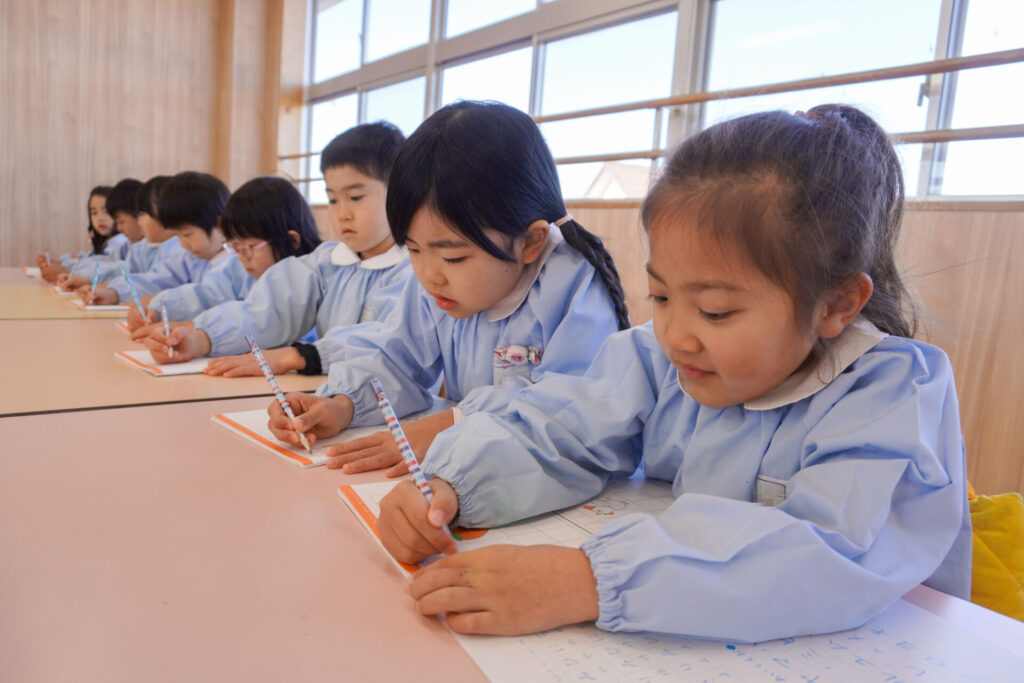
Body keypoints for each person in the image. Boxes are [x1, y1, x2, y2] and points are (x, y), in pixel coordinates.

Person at [376, 104, 972, 643]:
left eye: (715, 311)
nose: (675, 334)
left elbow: (829, 552)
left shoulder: (893, 391)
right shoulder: (656, 358)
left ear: (836, 304)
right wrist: (455, 484)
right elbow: (562, 427)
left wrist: (588, 579)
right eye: (661, 297)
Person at [267, 100, 630, 475]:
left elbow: (570, 413)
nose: (429, 276)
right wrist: (343, 404)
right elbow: (398, 359)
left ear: (530, 242)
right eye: (412, 249)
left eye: (453, 257)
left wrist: (451, 425)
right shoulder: (436, 282)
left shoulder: (574, 291)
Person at [143, 122, 412, 369]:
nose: (342, 214)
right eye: (332, 199)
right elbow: (264, 311)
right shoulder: (326, 263)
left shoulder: (413, 272)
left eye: (355, 197)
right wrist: (201, 340)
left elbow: (388, 341)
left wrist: (298, 356)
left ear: (399, 193)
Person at [131, 176, 322, 353]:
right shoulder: (239, 269)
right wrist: (161, 308)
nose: (242, 256)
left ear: (292, 241)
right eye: (235, 246)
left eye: (250, 247)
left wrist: (202, 334)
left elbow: (260, 318)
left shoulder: (306, 278)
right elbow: (207, 294)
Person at [88, 171, 233, 309]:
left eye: (187, 235)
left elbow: (203, 297)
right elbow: (156, 280)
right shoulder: (190, 259)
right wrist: (115, 293)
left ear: (219, 225)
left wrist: (159, 303)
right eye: (177, 235)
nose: (183, 244)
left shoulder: (233, 264)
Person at [36, 184, 117, 282]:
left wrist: (64, 271)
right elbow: (88, 261)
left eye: (106, 212)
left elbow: (104, 271)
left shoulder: (120, 244)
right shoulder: (103, 241)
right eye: (94, 213)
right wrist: (59, 264)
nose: (100, 218)